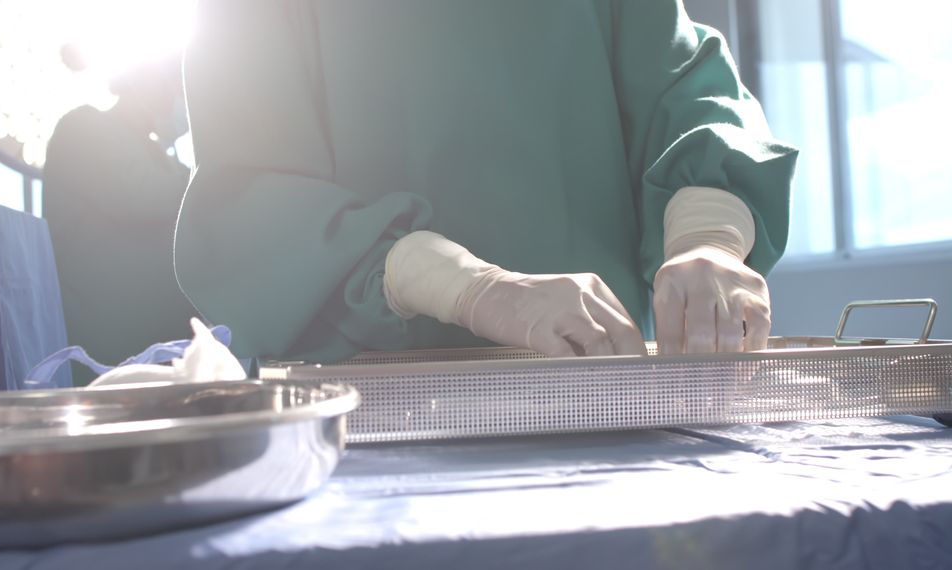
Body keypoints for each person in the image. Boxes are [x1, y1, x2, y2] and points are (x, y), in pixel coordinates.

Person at [174, 0, 799, 364]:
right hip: (373, 420)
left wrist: (706, 237)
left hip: (606, 400)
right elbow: (253, 207)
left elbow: (688, 94)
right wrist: (475, 290)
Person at [43, 51, 197, 380]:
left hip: (161, 349)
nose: (186, 109)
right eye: (182, 94)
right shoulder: (85, 127)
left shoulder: (160, 156)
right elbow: (141, 196)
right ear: (151, 85)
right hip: (105, 347)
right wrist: (218, 175)